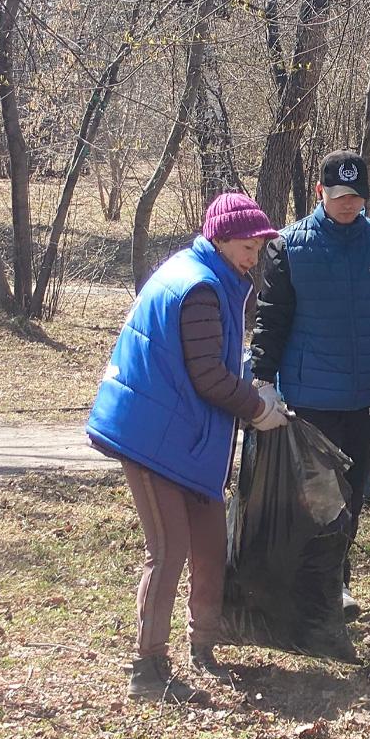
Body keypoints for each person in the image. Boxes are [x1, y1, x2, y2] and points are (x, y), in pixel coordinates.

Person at [87, 193, 288, 703]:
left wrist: (253, 385)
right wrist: (256, 407)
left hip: (183, 435)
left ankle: (204, 644)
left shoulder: (209, 275)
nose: (253, 258)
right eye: (247, 247)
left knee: (209, 544)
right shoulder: (199, 287)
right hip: (152, 437)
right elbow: (206, 377)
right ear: (220, 239)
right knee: (169, 550)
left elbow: (210, 361)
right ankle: (147, 667)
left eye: (259, 249)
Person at [251, 150, 370, 620]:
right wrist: (262, 379)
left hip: (366, 394)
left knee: (352, 493)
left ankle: (336, 581)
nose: (349, 204)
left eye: (357, 196)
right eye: (339, 195)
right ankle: (313, 587)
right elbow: (272, 319)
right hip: (309, 395)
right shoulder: (289, 245)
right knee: (316, 497)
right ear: (320, 193)